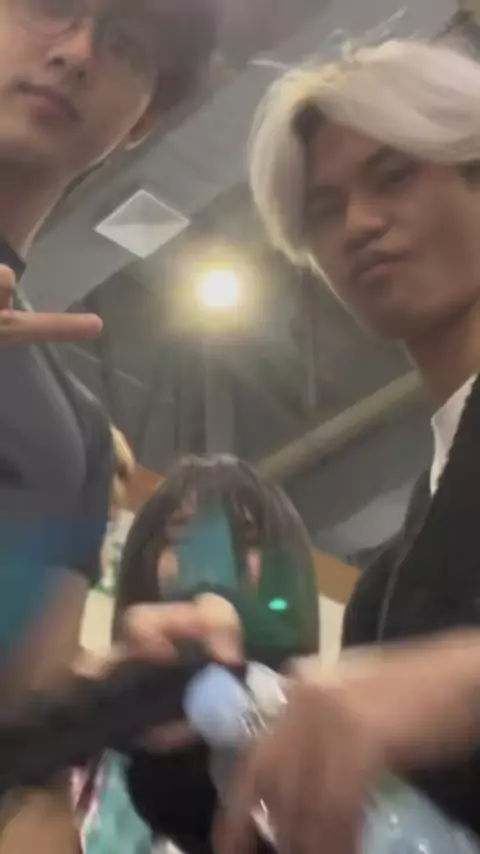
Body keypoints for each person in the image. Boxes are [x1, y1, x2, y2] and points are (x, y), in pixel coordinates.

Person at [210, 36, 480, 854]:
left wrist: (456, 687)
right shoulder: (385, 586)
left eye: (394, 177)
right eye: (324, 211)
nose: (358, 224)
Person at [0, 0, 216, 850]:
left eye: (126, 44)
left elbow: (26, 787)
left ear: (143, 120)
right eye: (51, 6)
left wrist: (110, 700)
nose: (80, 51)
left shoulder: (78, 439)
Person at [113, 454, 319, 854]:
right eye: (181, 537)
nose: (212, 565)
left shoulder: (319, 748)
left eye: (249, 540)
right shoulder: (98, 753)